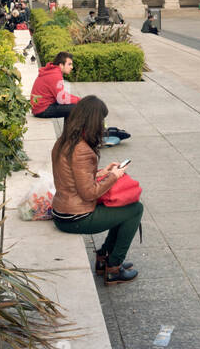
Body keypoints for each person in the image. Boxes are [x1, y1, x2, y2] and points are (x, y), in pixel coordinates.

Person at [50, 96, 142, 285]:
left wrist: (104, 171)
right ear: (93, 121)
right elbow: (89, 193)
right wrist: (114, 176)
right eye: (101, 120)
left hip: (63, 210)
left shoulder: (64, 141)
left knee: (122, 208)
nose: (103, 125)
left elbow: (74, 178)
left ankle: (104, 257)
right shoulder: (82, 150)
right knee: (135, 210)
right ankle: (113, 268)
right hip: (75, 218)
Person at [31, 51, 81, 117]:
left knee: (72, 105)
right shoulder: (55, 75)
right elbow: (62, 98)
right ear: (61, 65)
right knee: (77, 108)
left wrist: (78, 99)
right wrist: (80, 101)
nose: (72, 67)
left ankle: (69, 127)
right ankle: (74, 127)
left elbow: (62, 95)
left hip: (40, 107)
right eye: (69, 64)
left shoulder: (53, 71)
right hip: (42, 110)